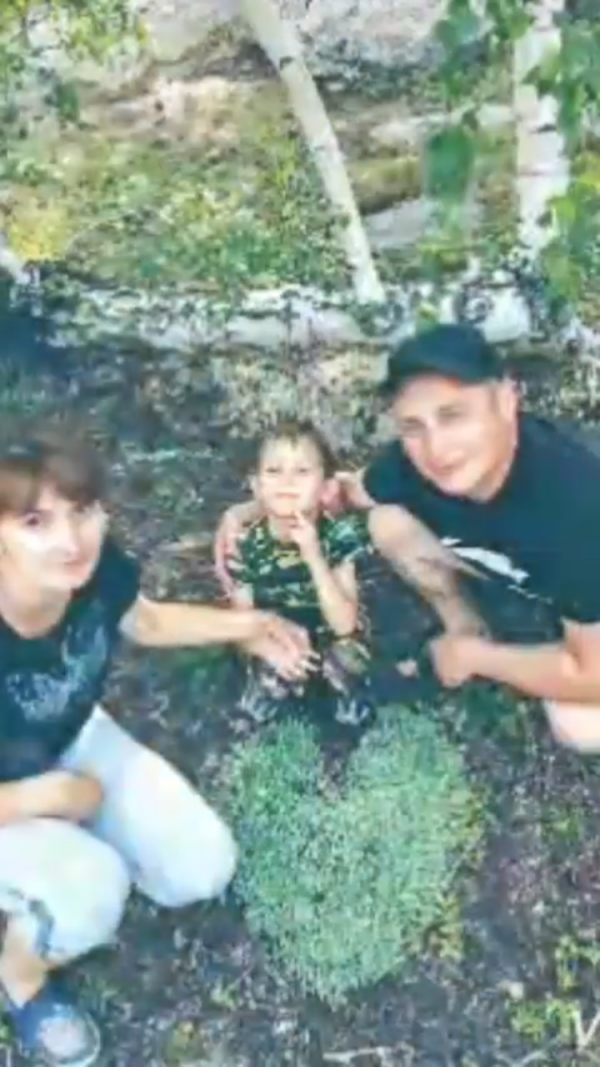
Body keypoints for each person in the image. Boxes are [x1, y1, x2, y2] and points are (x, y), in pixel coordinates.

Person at [0, 422, 311, 1067]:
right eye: (34, 522)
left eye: (82, 511)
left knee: (201, 867)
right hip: (17, 792)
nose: (70, 540)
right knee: (93, 890)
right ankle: (21, 977)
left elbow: (144, 620)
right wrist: (45, 798)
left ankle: (64, 870)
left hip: (71, 739)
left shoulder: (92, 570)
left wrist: (248, 624)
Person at [215, 322, 600, 754]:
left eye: (453, 415)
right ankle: (469, 626)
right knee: (388, 525)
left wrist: (471, 659)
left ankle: (478, 648)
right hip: (539, 572)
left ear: (507, 398)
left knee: (578, 723)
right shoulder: (409, 466)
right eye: (413, 426)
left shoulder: (576, 508)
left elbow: (593, 677)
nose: (437, 447)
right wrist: (248, 512)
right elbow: (341, 492)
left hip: (581, 583)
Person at [228, 419, 373, 726]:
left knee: (349, 656)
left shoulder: (341, 536)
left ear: (327, 487)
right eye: (274, 471)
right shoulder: (244, 545)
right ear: (256, 485)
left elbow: (345, 624)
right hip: (279, 633)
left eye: (302, 471)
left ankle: (345, 709)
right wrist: (271, 650)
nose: (287, 482)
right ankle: (267, 702)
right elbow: (242, 623)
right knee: (264, 669)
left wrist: (313, 554)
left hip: (331, 635)